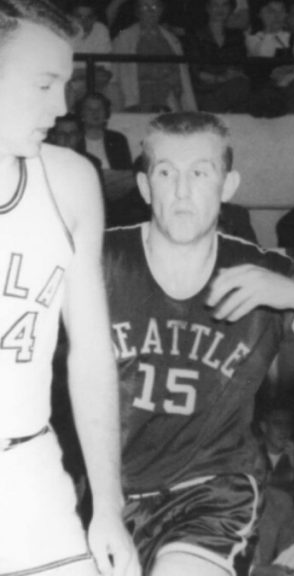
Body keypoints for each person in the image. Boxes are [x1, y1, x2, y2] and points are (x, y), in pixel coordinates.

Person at [102, 111, 294, 575]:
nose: (182, 191)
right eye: (166, 173)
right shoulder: (97, 259)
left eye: (200, 173)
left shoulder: (269, 275)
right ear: (144, 187)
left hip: (210, 495)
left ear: (228, 185)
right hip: (105, 491)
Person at [0, 1, 138, 574]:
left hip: (31, 465)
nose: (61, 107)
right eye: (43, 84)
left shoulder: (73, 181)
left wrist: (107, 506)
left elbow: (91, 356)